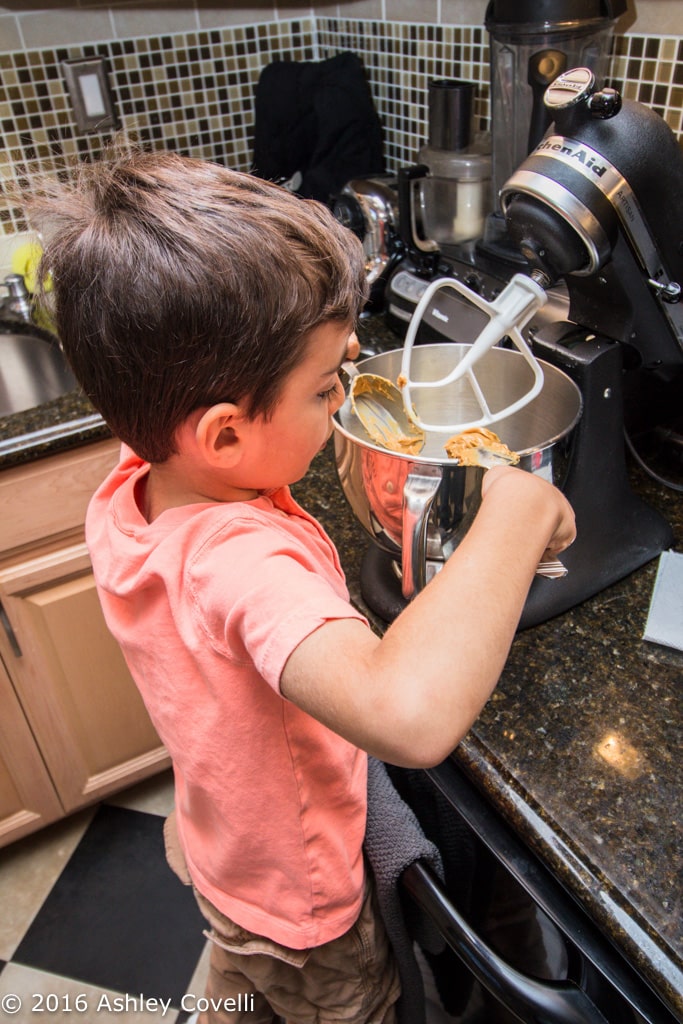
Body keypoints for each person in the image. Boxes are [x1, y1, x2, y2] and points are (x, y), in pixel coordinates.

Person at [28, 151, 575, 1024]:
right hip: (303, 902)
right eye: (326, 390)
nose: (347, 391)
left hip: (224, 852)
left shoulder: (138, 481)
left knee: (242, 982)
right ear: (224, 433)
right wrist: (519, 504)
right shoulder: (235, 558)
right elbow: (406, 714)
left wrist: (311, 360)